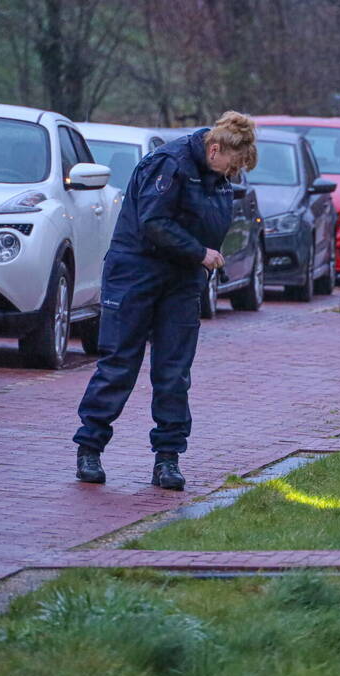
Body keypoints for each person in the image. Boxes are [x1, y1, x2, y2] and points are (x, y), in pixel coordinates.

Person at [72, 112, 257, 491]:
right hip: (135, 273)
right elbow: (153, 223)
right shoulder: (169, 164)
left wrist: (201, 260)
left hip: (182, 280)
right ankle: (89, 447)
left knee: (174, 373)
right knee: (119, 363)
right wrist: (199, 253)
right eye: (232, 166)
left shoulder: (216, 177)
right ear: (215, 148)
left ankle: (168, 460)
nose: (232, 175)